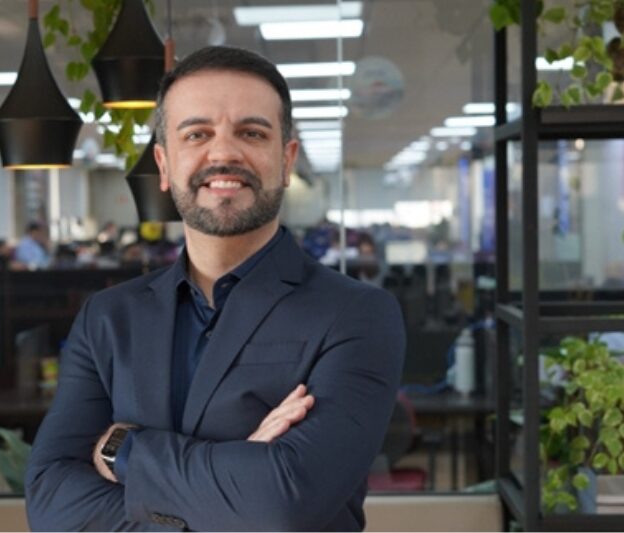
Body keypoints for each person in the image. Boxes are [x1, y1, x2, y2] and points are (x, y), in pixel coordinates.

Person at [26, 46, 405, 531]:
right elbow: (51, 505)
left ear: (286, 159)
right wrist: (235, 484)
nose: (223, 153)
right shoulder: (108, 317)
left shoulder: (357, 314)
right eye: (197, 133)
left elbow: (284, 502)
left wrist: (123, 450)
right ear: (163, 165)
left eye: (251, 132)